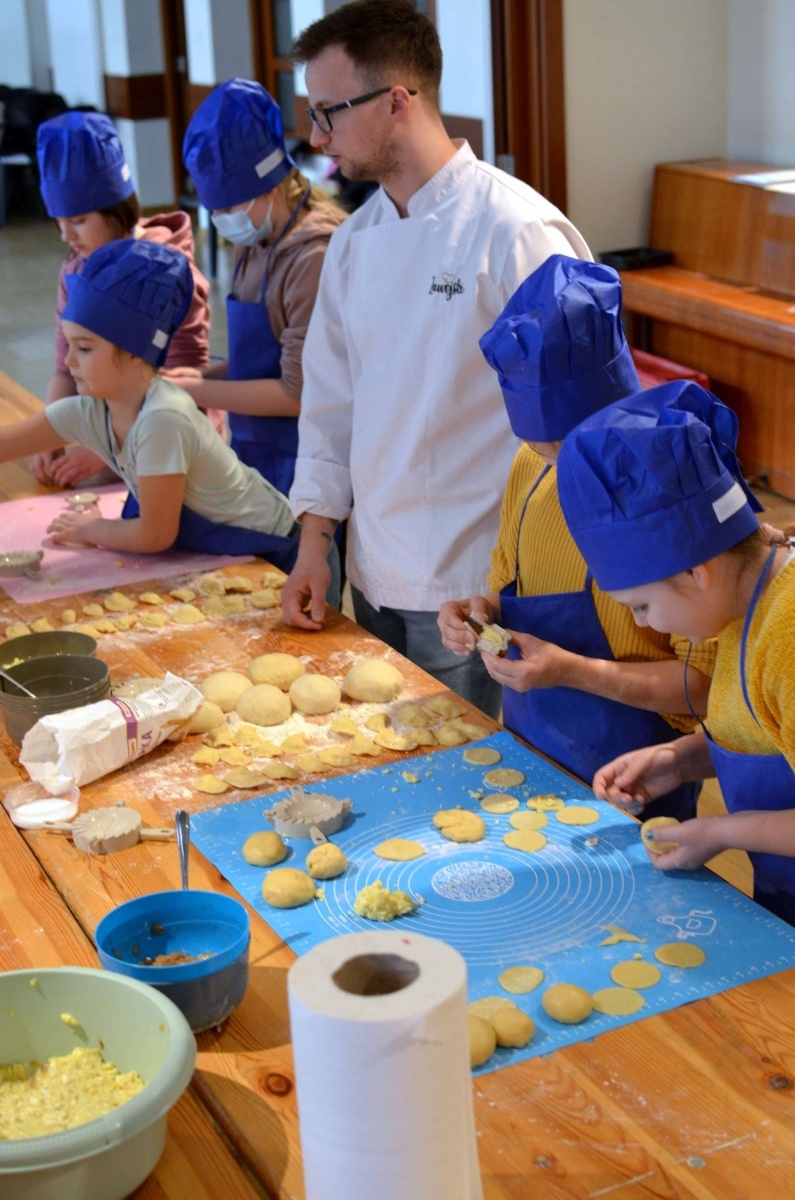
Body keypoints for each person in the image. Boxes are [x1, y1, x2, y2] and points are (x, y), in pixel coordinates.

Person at [282, 0, 591, 716]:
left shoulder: (515, 231)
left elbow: (581, 428)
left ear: (397, 100)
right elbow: (330, 405)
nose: (316, 135)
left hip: (474, 583)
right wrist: (315, 543)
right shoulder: (355, 241)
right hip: (372, 567)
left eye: (329, 111)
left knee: (472, 788)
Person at [438, 257, 717, 819]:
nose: (563, 468)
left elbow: (708, 686)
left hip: (635, 773)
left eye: (572, 447)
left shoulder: (672, 488)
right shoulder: (530, 465)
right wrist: (479, 613)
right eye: (545, 449)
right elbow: (507, 580)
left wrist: (571, 670)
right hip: (528, 750)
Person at [555, 380, 795, 924]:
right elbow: (768, 729)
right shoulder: (742, 605)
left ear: (695, 573)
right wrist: (679, 760)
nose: (642, 623)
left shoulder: (787, 637)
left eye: (640, 606)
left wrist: (719, 831)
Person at [2, 238, 300, 570]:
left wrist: (93, 529)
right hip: (220, 549)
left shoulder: (162, 419)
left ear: (135, 353)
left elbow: (154, 535)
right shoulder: (92, 410)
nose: (69, 361)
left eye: (84, 348)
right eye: (69, 345)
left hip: (278, 554)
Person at [175, 78, 347, 496]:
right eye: (214, 210)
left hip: (309, 459)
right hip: (257, 451)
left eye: (230, 207)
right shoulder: (255, 243)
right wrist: (193, 376)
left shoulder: (313, 258)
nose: (222, 220)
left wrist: (194, 389)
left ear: (270, 186)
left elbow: (294, 393)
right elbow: (256, 362)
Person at [31, 110, 218, 489]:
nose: (67, 235)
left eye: (80, 221)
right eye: (59, 223)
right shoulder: (74, 271)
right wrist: (48, 434)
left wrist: (108, 451)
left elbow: (184, 389)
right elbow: (64, 369)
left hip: (175, 450)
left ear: (118, 208)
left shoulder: (168, 274)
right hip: (111, 443)